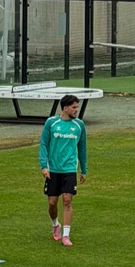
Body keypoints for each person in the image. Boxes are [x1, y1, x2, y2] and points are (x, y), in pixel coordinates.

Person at [39, 95, 88, 247]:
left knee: (67, 200)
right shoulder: (51, 123)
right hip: (53, 169)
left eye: (77, 107)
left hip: (70, 168)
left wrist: (84, 169)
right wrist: (44, 166)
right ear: (65, 108)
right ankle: (55, 225)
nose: (76, 110)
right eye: (74, 107)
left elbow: (82, 148)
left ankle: (66, 236)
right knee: (52, 202)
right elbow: (43, 144)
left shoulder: (79, 125)